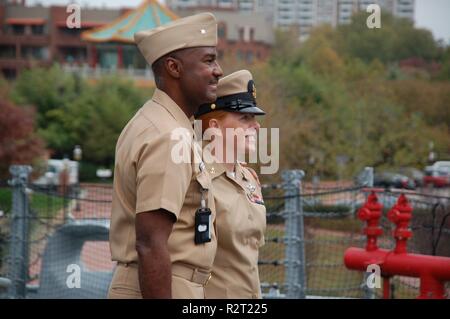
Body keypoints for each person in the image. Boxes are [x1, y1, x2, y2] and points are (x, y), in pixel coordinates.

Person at [108, 12, 223, 299]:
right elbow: (150, 242)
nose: (219, 70)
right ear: (174, 68)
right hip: (161, 287)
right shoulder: (167, 134)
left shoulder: (164, 124)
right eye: (208, 60)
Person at [195, 70, 267, 298]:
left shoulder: (249, 179)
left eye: (254, 118)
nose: (256, 126)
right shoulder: (196, 178)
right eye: (245, 118)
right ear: (214, 126)